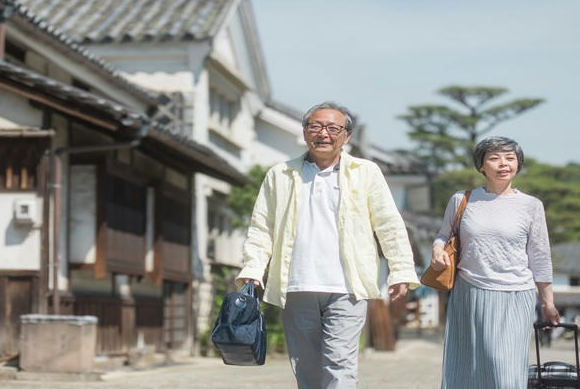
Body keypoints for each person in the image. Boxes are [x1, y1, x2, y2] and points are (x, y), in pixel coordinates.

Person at [236, 101, 420, 389]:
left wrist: (400, 270)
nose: (323, 133)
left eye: (333, 128)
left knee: (340, 364)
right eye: (316, 126)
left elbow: (388, 224)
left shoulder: (366, 172)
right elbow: (262, 227)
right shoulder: (280, 174)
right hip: (296, 285)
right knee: (305, 367)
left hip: (348, 286)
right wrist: (253, 267)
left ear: (346, 136)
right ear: (304, 132)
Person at [431, 136, 559, 389]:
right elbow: (443, 235)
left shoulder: (531, 205)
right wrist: (437, 249)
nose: (503, 164)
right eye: (494, 158)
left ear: (518, 164)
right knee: (467, 368)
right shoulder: (462, 200)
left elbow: (540, 256)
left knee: (504, 368)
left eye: (510, 158)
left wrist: (548, 302)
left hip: (516, 294)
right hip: (470, 292)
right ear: (481, 166)